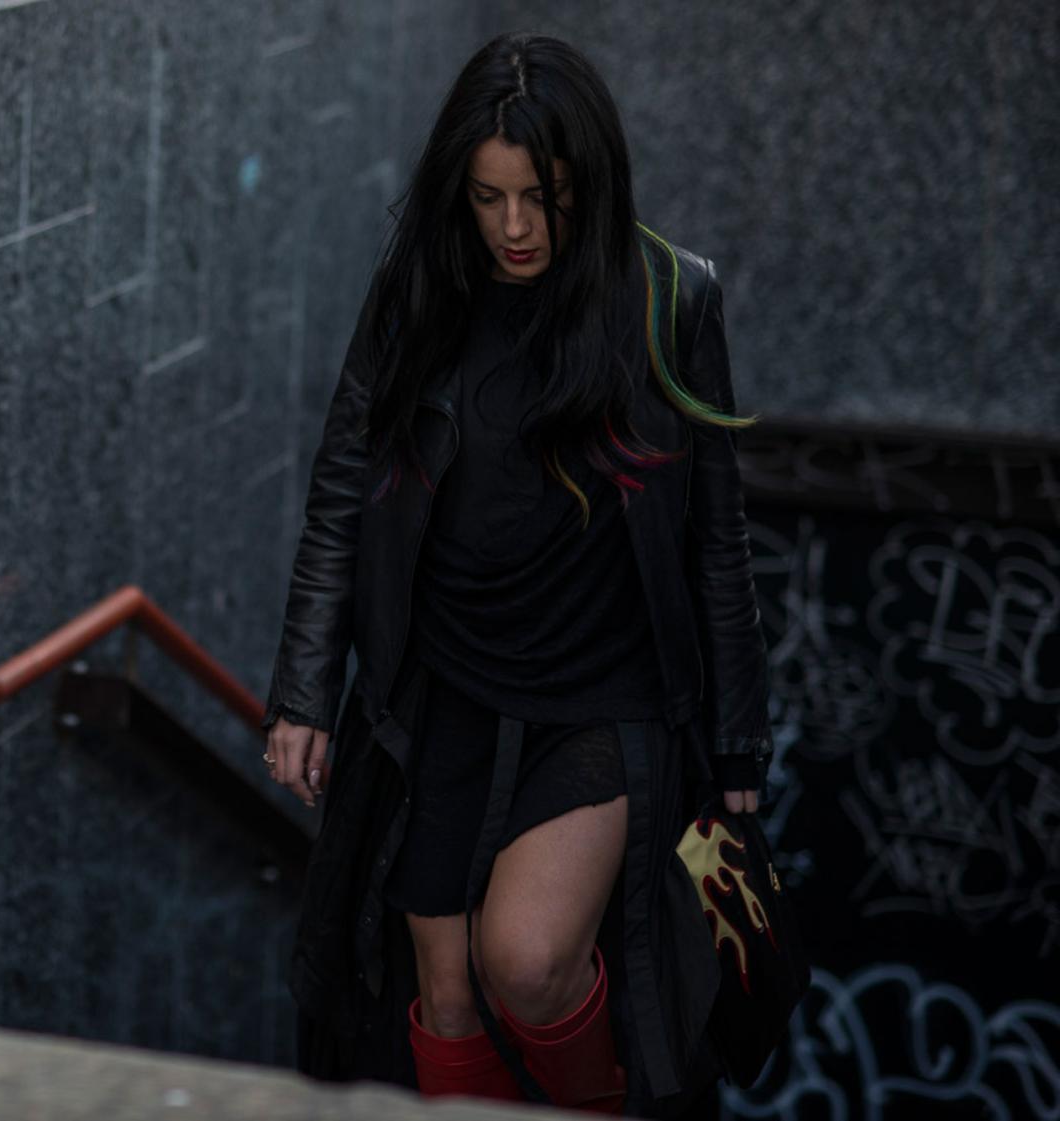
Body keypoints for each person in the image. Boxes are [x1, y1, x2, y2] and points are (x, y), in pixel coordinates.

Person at [258, 31, 775, 1120]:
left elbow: (716, 538)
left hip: (602, 698)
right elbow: (345, 484)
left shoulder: (669, 300)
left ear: (591, 184)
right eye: (488, 198)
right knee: (445, 997)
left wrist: (738, 736)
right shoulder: (418, 292)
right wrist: (304, 688)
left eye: (543, 198)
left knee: (528, 960)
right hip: (443, 692)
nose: (516, 228)